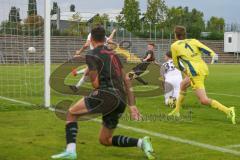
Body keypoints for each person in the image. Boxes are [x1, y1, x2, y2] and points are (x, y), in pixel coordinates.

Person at [51, 26, 155, 160]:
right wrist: (132, 105)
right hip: (121, 100)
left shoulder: (91, 54)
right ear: (104, 38)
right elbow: (126, 79)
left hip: (105, 95)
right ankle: (142, 143)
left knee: (71, 113)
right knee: (105, 139)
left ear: (92, 39)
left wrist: (90, 77)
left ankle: (71, 151)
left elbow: (96, 84)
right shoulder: (113, 54)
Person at [168, 26, 236, 125]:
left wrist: (185, 71)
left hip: (195, 73)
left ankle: (228, 110)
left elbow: (176, 63)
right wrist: (213, 55)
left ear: (175, 35)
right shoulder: (193, 41)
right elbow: (207, 50)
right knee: (183, 84)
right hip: (204, 68)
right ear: (185, 34)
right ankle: (176, 111)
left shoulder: (174, 46)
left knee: (203, 100)